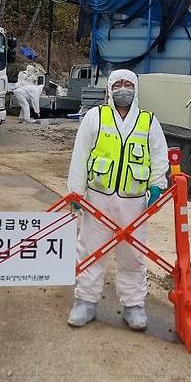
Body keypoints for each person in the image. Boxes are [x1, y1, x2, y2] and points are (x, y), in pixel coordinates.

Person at [66, 69, 169, 330]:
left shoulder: (148, 121)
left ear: (136, 88)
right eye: (118, 84)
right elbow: (80, 154)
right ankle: (85, 302)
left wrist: (157, 185)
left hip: (134, 203)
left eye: (128, 84)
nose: (123, 89)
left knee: (133, 255)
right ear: (109, 89)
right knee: (90, 251)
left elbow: (159, 156)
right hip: (97, 200)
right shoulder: (95, 117)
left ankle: (134, 305)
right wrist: (75, 191)